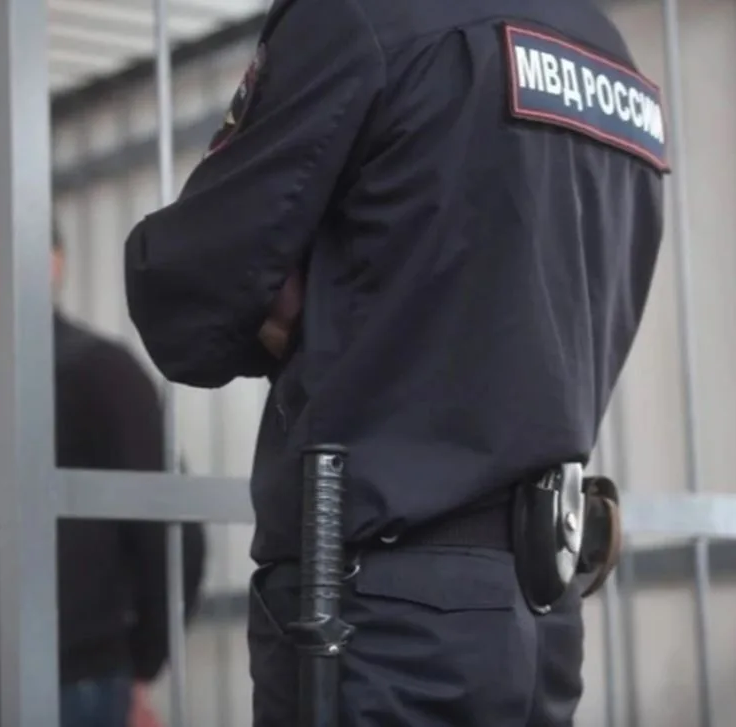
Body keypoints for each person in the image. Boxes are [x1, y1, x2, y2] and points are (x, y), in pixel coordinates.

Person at [122, 1, 666, 725]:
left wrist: (320, 315)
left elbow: (188, 292)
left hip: (379, 618)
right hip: (541, 613)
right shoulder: (610, 57)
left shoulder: (362, 16)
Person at [0, 205, 206, 727]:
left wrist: (138, 667)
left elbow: (171, 530)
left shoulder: (99, 372)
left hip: (77, 680)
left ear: (50, 266)